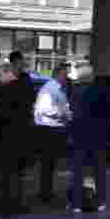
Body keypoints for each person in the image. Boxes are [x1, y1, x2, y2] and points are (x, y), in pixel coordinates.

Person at [67, 64, 110, 213]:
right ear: (91, 76)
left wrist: (70, 134)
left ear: (81, 76)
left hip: (79, 137)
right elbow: (108, 116)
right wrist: (109, 137)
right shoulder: (103, 91)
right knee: (99, 170)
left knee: (78, 171)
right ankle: (101, 201)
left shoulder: (74, 92)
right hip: (99, 137)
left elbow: (72, 116)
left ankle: (76, 204)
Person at [0, 63, 35, 216]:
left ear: (8, 73)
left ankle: (8, 205)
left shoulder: (6, 90)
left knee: (7, 174)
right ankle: (17, 204)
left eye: (0, 74)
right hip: (23, 138)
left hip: (8, 139)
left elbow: (3, 115)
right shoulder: (25, 88)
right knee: (17, 175)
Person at [34, 63, 73, 205]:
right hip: (49, 130)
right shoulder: (50, 88)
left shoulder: (57, 88)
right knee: (47, 163)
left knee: (50, 164)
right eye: (65, 74)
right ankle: (45, 194)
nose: (67, 77)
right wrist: (62, 115)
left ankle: (47, 192)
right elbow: (44, 109)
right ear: (58, 74)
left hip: (53, 129)